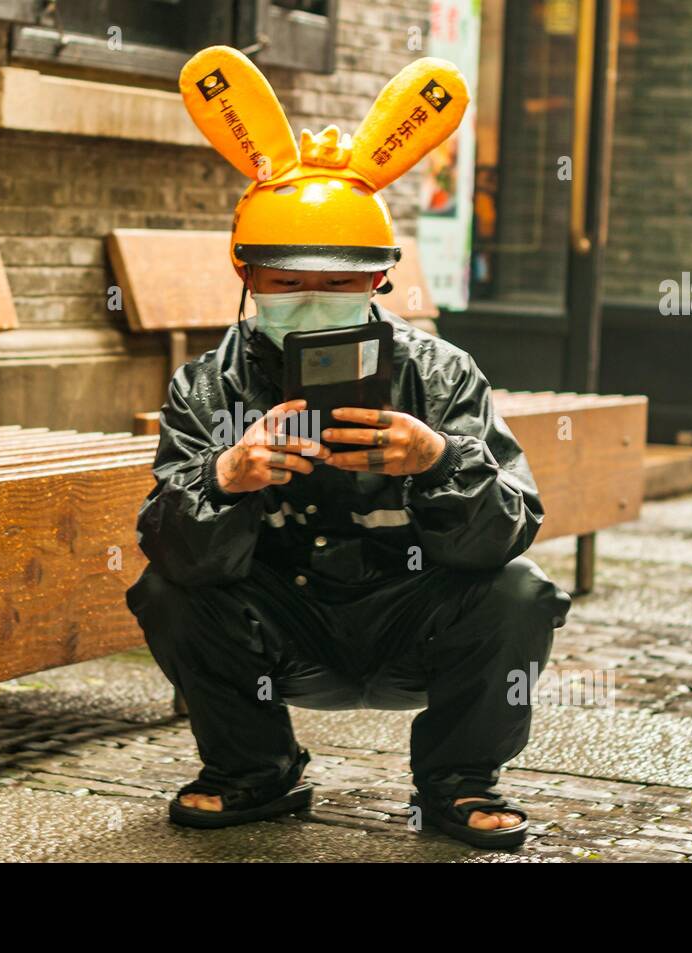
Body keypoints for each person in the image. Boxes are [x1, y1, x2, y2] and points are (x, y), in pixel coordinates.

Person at [126, 46, 571, 849]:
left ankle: (459, 783)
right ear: (247, 275)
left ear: (379, 280)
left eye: (340, 281)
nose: (311, 299)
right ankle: (252, 770)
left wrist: (438, 461)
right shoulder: (210, 383)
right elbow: (171, 545)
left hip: (412, 619)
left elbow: (513, 525)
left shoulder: (438, 372)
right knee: (165, 590)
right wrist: (227, 478)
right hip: (281, 619)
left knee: (522, 590)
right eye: (286, 279)